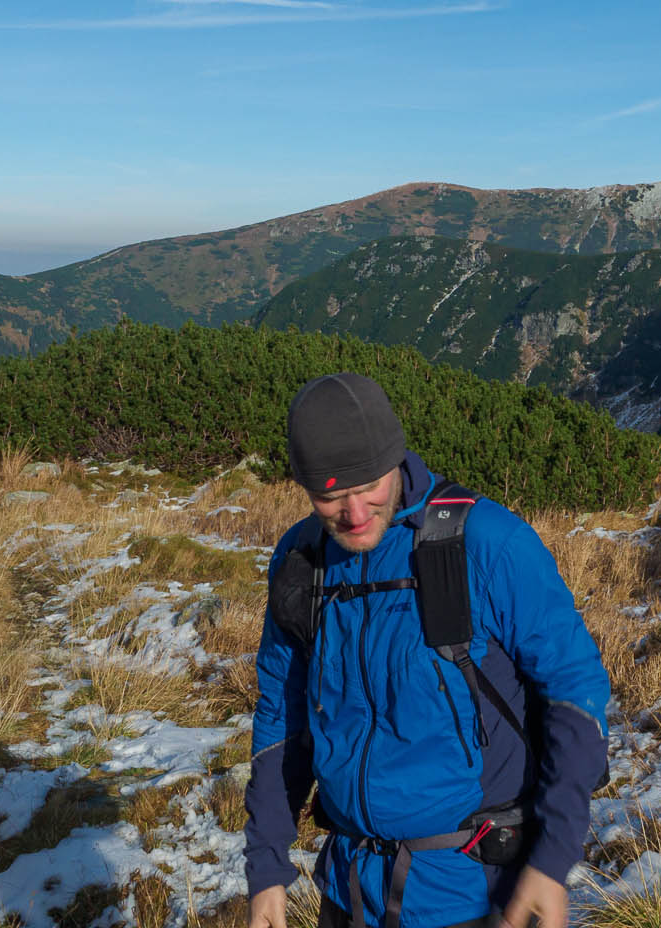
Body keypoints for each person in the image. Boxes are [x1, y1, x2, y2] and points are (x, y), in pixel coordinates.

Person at [244, 373, 611, 928]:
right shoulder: (303, 561)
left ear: (397, 456)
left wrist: (552, 859)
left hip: (478, 896)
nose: (354, 511)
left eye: (369, 483)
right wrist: (268, 866)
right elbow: (282, 713)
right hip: (349, 893)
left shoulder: (486, 543)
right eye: (329, 494)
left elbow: (574, 693)